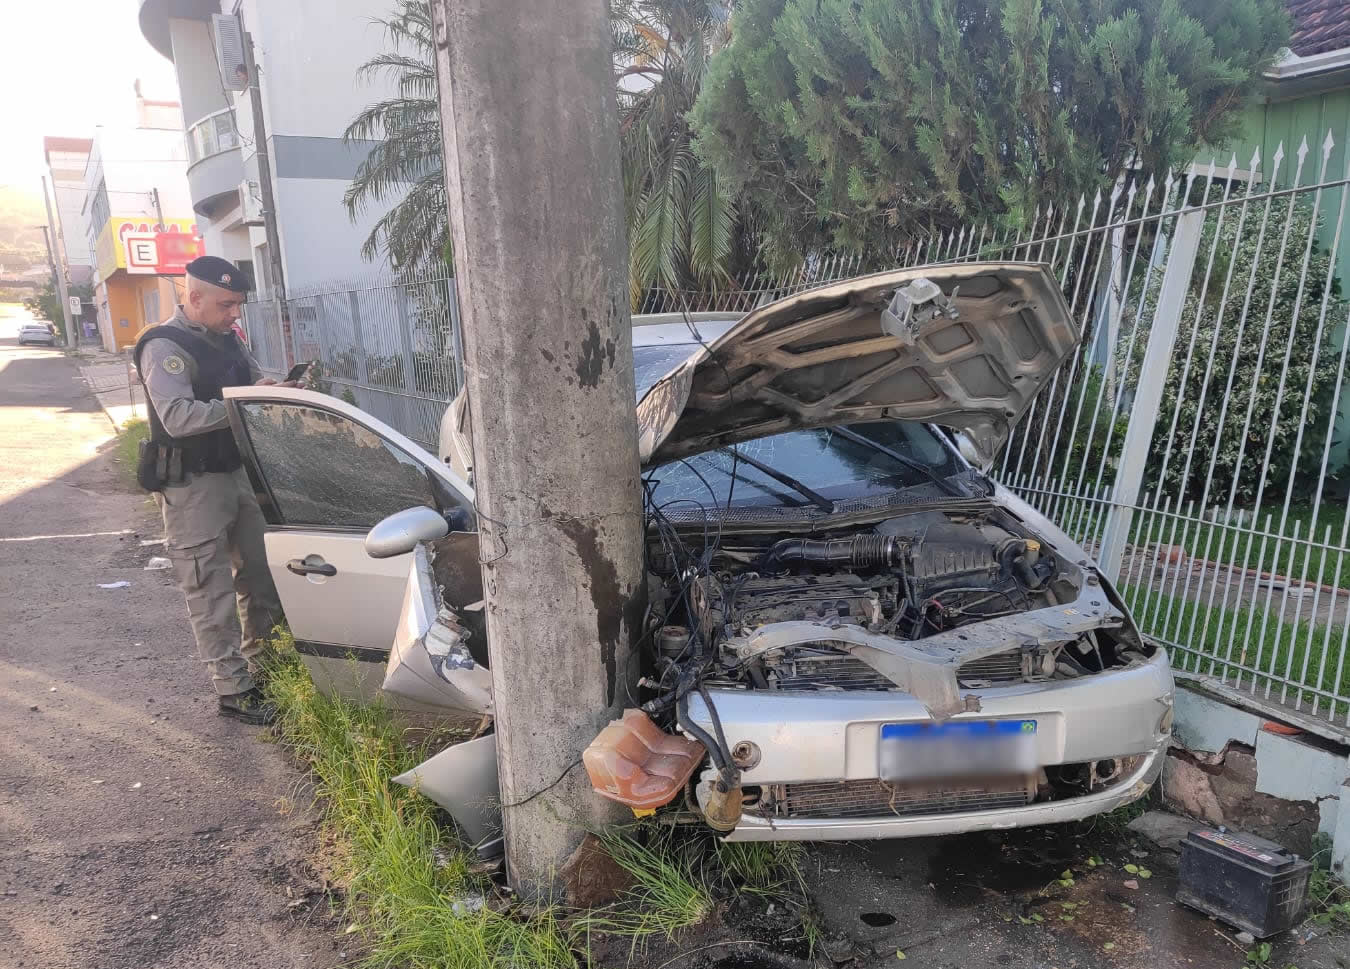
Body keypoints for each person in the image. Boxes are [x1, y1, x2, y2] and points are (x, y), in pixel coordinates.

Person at [133, 256, 296, 724]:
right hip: (193, 487)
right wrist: (242, 405)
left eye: (239, 305)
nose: (235, 314)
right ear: (195, 297)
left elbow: (251, 378)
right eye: (227, 305)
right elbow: (178, 418)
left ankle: (264, 670)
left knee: (261, 578)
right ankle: (233, 689)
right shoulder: (164, 345)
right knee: (210, 589)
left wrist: (274, 387)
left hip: (238, 476)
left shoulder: (229, 341)